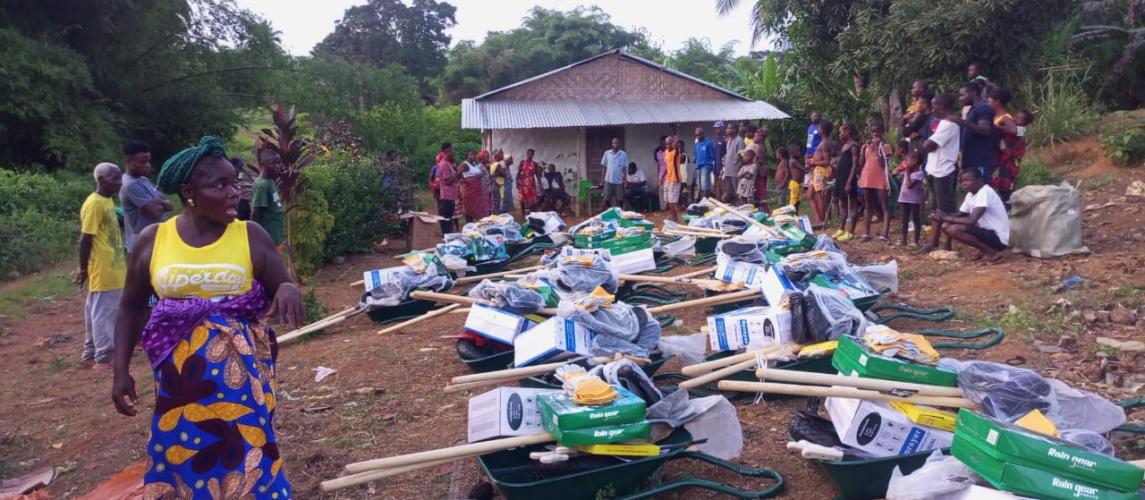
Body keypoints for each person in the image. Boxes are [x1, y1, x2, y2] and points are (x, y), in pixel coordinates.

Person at [111, 136, 302, 497]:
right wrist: (120, 370)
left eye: (234, 183)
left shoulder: (249, 235)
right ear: (188, 192)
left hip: (241, 376)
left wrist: (288, 288)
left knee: (248, 448)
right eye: (220, 185)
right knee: (187, 449)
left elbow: (281, 283)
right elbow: (132, 305)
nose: (234, 193)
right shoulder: (155, 240)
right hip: (179, 381)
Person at [77, 162, 126, 369]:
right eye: (115, 180)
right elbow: (85, 239)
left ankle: (90, 352)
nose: (120, 183)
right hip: (103, 268)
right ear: (102, 180)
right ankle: (103, 357)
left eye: (120, 178)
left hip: (113, 267)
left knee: (96, 310)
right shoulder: (95, 204)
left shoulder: (107, 201)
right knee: (104, 314)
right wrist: (83, 268)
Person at [935, 168, 1010, 263]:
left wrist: (945, 217)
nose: (964, 184)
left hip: (998, 238)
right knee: (947, 225)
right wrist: (942, 216)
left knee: (955, 229)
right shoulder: (970, 195)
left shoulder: (985, 192)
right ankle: (984, 250)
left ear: (979, 180)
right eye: (962, 181)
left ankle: (991, 252)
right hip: (987, 234)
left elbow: (971, 220)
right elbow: (961, 216)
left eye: (968, 180)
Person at [919, 93, 962, 253]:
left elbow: (928, 145)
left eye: (935, 105)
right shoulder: (943, 123)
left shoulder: (950, 125)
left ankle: (947, 242)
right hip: (933, 169)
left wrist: (926, 143)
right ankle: (935, 241)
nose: (932, 108)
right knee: (936, 210)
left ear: (943, 106)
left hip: (943, 171)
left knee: (946, 210)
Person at [120, 140, 173, 254]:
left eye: (148, 161)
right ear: (129, 161)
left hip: (155, 242)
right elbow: (155, 212)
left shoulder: (143, 180)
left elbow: (170, 206)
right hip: (142, 247)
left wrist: (158, 202)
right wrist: (160, 202)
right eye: (142, 162)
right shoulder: (131, 185)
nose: (147, 165)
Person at [952, 82, 998, 182]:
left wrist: (962, 122)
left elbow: (985, 130)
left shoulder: (983, 108)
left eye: (963, 95)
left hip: (980, 158)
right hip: (971, 157)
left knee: (981, 187)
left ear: (973, 93)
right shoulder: (973, 109)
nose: (960, 99)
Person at [858, 121, 893, 242]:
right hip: (867, 177)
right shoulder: (867, 146)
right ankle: (866, 233)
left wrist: (878, 148)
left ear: (882, 132)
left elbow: (883, 164)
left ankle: (885, 233)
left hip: (880, 178)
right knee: (868, 205)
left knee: (884, 205)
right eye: (873, 132)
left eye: (877, 131)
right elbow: (861, 163)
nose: (875, 134)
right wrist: (863, 149)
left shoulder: (885, 146)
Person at [988, 88, 1022, 207]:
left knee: (1004, 191)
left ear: (997, 102)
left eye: (990, 100)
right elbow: (1021, 132)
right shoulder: (998, 116)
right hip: (1001, 159)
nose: (988, 102)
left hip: (1005, 162)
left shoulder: (1004, 118)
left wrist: (995, 127)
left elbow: (1014, 131)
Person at [251, 148, 285, 249]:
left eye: (279, 163)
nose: (278, 166)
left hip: (275, 237)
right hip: (267, 241)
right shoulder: (262, 185)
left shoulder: (271, 182)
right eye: (273, 163)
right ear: (262, 164)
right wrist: (257, 239)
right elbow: (255, 213)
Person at [833, 123, 861, 241]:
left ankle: (851, 231)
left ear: (847, 132)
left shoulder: (854, 146)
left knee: (852, 205)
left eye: (841, 132)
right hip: (840, 178)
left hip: (849, 178)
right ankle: (841, 228)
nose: (839, 135)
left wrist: (849, 182)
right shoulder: (844, 146)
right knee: (842, 203)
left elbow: (855, 165)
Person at [807, 120, 835, 225]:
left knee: (819, 195)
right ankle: (818, 217)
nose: (817, 130)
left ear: (822, 130)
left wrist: (814, 162)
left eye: (819, 128)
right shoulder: (823, 142)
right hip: (817, 170)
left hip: (821, 171)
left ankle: (821, 220)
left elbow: (827, 161)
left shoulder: (825, 143)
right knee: (809, 195)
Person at [898, 151, 926, 247]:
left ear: (915, 161)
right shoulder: (908, 171)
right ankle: (904, 240)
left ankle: (916, 241)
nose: (906, 161)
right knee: (904, 220)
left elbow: (909, 185)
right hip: (904, 199)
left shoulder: (919, 173)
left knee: (916, 219)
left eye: (908, 160)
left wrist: (908, 173)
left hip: (914, 200)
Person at [436, 143, 459, 234]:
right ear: (447, 150)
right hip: (447, 196)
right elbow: (447, 181)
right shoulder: (445, 164)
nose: (453, 152)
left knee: (448, 219)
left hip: (450, 196)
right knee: (447, 220)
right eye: (452, 150)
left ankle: (447, 237)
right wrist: (458, 172)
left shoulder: (447, 163)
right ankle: (446, 238)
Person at [460, 151, 489, 222]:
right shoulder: (465, 164)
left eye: (474, 154)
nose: (473, 156)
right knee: (469, 209)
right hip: (469, 190)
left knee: (477, 208)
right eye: (471, 154)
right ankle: (468, 225)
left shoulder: (474, 164)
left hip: (477, 190)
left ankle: (475, 226)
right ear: (467, 156)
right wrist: (464, 181)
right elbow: (458, 172)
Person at [600, 137, 628, 209]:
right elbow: (604, 167)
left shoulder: (623, 154)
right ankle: (602, 216)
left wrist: (625, 180)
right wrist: (602, 181)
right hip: (609, 179)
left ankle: (619, 216)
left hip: (619, 180)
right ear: (612, 144)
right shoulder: (607, 153)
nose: (616, 145)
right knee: (605, 198)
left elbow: (625, 168)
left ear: (619, 144)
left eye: (617, 143)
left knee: (620, 200)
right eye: (614, 143)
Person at [661, 136, 682, 221]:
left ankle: (675, 218)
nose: (667, 145)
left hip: (675, 179)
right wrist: (662, 176)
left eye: (669, 143)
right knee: (668, 200)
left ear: (672, 143)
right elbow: (666, 166)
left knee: (672, 200)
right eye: (666, 144)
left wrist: (675, 136)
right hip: (668, 179)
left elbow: (676, 147)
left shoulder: (676, 152)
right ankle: (673, 216)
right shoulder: (666, 152)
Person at [693, 127, 716, 202]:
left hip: (706, 166)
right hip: (698, 166)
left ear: (703, 134)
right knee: (700, 187)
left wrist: (710, 165)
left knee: (705, 186)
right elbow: (695, 155)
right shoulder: (696, 143)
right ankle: (703, 202)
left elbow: (713, 155)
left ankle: (705, 202)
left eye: (699, 135)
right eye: (696, 135)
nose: (697, 137)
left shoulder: (708, 143)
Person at [517, 149, 541, 217]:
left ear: (533, 155)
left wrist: (540, 185)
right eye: (528, 153)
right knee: (522, 199)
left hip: (531, 183)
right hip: (523, 183)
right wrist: (517, 182)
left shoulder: (535, 164)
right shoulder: (522, 162)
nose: (529, 155)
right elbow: (518, 173)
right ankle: (523, 213)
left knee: (531, 199)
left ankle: (531, 214)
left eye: (531, 154)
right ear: (526, 154)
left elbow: (537, 175)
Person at [722, 128, 743, 203]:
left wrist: (738, 167)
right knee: (729, 193)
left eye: (729, 128)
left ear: (734, 130)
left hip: (735, 170)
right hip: (728, 170)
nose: (727, 129)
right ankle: (733, 208)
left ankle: (740, 208)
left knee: (737, 191)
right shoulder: (729, 141)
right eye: (727, 128)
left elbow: (741, 155)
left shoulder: (739, 140)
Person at [785, 144, 806, 211]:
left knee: (797, 200)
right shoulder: (793, 161)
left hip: (798, 184)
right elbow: (802, 169)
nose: (799, 154)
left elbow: (802, 171)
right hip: (795, 184)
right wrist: (811, 166)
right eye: (798, 152)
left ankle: (796, 213)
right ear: (792, 153)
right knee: (793, 201)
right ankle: (792, 213)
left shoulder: (795, 161)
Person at [713, 121, 727, 199]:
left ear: (722, 128)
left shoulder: (725, 139)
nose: (716, 130)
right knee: (717, 188)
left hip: (723, 168)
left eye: (717, 128)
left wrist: (723, 167)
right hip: (717, 168)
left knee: (724, 188)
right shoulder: (717, 139)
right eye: (715, 128)